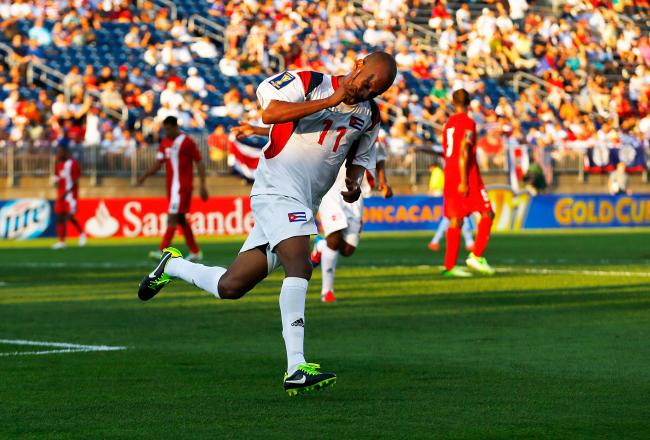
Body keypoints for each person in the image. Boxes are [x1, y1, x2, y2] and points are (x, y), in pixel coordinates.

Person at [137, 52, 397, 396]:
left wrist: (353, 183)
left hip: (305, 201)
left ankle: (173, 265)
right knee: (301, 264)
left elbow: (357, 157)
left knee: (231, 286)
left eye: (374, 92)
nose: (365, 92)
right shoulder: (309, 83)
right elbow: (271, 112)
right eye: (366, 82)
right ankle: (296, 366)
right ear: (359, 64)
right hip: (276, 190)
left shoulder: (369, 114)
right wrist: (332, 100)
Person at [310, 139, 393, 303]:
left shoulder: (374, 137)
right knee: (334, 238)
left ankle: (320, 245)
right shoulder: (337, 127)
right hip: (330, 190)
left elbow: (380, 158)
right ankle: (327, 291)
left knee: (348, 250)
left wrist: (383, 182)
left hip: (356, 194)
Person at [137, 116, 208, 261]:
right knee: (181, 218)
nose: (167, 132)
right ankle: (195, 251)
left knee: (172, 217)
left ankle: (162, 250)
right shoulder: (164, 142)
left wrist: (203, 185)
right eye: (165, 129)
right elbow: (158, 163)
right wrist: (144, 176)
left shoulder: (186, 141)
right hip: (171, 187)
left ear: (176, 127)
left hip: (182, 187)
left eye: (169, 129)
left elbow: (199, 162)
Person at [441, 89, 495, 277]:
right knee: (487, 212)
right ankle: (476, 256)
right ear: (470, 102)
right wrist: (464, 180)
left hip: (450, 174)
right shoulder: (467, 122)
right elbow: (464, 150)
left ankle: (450, 266)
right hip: (467, 175)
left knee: (457, 220)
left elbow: (450, 150)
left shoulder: (449, 124)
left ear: (452, 103)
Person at [52, 147, 86, 249]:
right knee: (59, 217)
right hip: (61, 195)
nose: (57, 156)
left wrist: (67, 192)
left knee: (69, 216)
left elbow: (75, 180)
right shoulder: (58, 165)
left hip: (70, 195)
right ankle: (62, 242)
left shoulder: (72, 163)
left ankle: (82, 234)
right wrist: (56, 184)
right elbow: (57, 179)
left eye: (59, 153)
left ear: (65, 153)